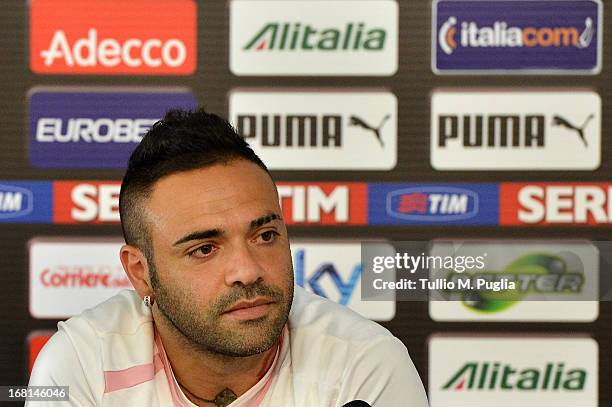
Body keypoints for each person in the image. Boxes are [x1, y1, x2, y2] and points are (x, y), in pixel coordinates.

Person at [28, 109, 429, 407]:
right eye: (204, 249)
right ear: (140, 272)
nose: (248, 270)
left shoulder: (365, 365)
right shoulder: (78, 365)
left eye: (265, 235)